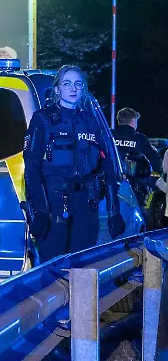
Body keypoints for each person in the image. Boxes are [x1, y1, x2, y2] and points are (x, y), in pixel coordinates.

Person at [23, 66, 121, 261]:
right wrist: (41, 210)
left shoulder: (91, 121)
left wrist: (114, 212)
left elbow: (107, 166)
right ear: (57, 89)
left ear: (83, 88)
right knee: (54, 267)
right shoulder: (43, 120)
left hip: (85, 203)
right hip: (54, 203)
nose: (73, 88)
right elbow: (32, 168)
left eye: (78, 84)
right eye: (67, 84)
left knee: (81, 266)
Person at [112, 107, 159, 220]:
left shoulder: (109, 135)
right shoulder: (140, 139)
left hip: (111, 184)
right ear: (133, 122)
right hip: (134, 186)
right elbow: (155, 160)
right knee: (135, 217)